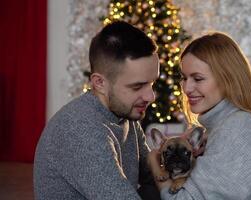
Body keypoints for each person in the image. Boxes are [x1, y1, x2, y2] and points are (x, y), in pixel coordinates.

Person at [34, 21, 161, 200]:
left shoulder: (125, 115)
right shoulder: (80, 130)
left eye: (152, 83)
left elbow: (155, 176)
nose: (150, 96)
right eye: (137, 86)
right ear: (99, 83)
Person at [148, 32, 251, 200]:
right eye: (184, 78)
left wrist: (154, 161)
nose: (186, 88)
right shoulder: (223, 127)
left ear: (227, 79)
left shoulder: (237, 127)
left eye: (198, 78)